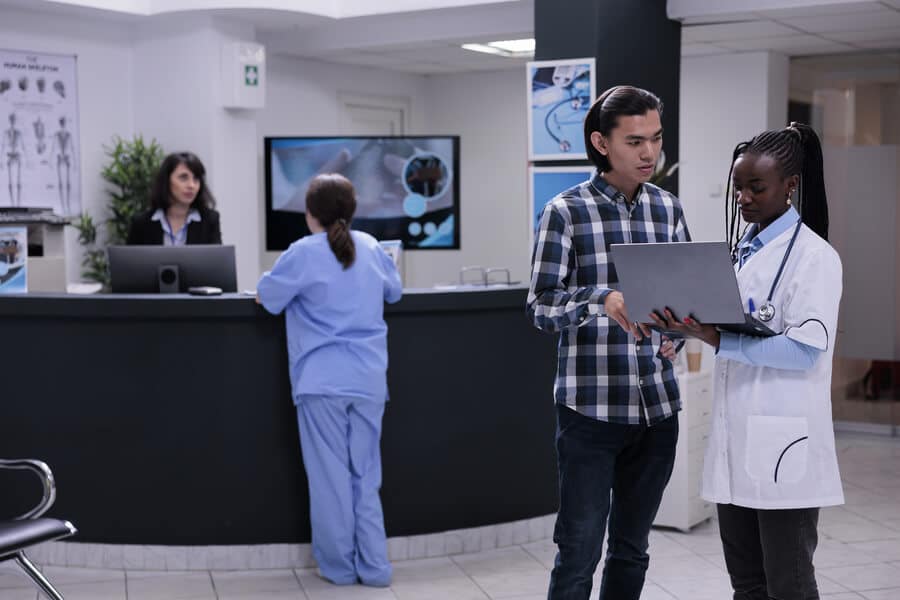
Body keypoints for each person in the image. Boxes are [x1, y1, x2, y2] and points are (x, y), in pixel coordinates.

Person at [651, 122, 841, 600]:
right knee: (748, 583)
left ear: (789, 186)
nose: (744, 198)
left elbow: (802, 351)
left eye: (757, 187)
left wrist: (716, 337)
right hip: (738, 436)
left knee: (789, 584)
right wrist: (683, 331)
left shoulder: (815, 258)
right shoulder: (743, 254)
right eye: (739, 186)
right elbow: (727, 325)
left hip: (783, 444)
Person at [527, 85, 689, 600]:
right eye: (634, 141)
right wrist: (603, 299)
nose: (649, 153)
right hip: (590, 413)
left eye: (656, 139)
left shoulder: (668, 209)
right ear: (600, 142)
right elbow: (541, 306)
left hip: (658, 409)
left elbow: (685, 302)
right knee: (579, 551)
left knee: (633, 549)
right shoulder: (564, 211)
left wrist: (677, 335)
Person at [256, 173, 401, 588]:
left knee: (330, 481)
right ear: (351, 211)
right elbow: (395, 293)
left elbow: (268, 298)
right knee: (366, 477)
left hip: (321, 383)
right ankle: (375, 570)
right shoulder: (373, 248)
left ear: (310, 213)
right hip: (369, 380)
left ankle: (338, 569)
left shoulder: (302, 253)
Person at [126, 151, 222, 245]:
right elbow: (129, 260)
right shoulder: (141, 223)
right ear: (166, 181)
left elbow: (217, 259)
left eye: (196, 179)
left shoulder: (209, 220)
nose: (191, 185)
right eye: (183, 178)